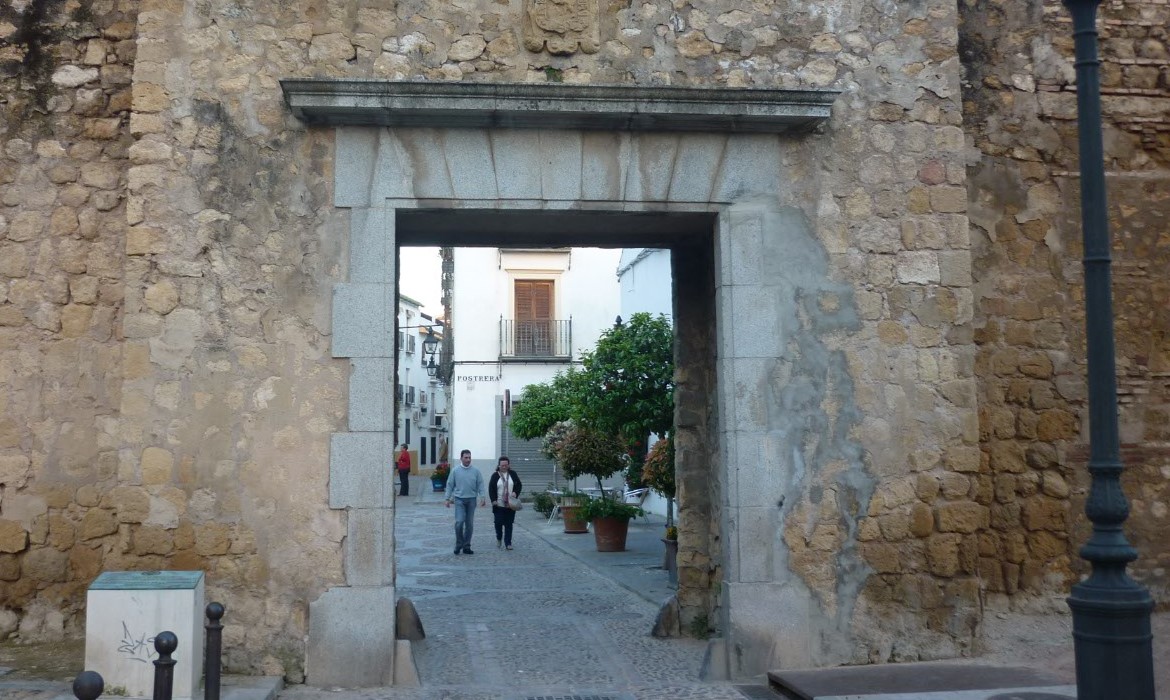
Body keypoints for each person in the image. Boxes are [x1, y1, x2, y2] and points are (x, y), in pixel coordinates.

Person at [444, 449, 486, 554]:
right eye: (466, 457)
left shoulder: (476, 471)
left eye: (469, 457)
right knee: (459, 522)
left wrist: (483, 497)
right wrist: (447, 498)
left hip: (471, 499)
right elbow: (450, 484)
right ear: (461, 458)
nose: (468, 460)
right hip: (459, 500)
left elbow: (480, 484)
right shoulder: (455, 471)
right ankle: (459, 544)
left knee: (469, 524)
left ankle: (467, 546)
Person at [488, 456, 522, 550]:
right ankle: (499, 537)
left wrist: (515, 492)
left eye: (506, 465)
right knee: (498, 523)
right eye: (502, 465)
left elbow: (519, 485)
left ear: (508, 465)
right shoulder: (495, 476)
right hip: (498, 504)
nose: (504, 467)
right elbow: (491, 489)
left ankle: (508, 543)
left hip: (510, 505)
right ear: (499, 465)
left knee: (509, 524)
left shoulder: (513, 474)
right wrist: (493, 500)